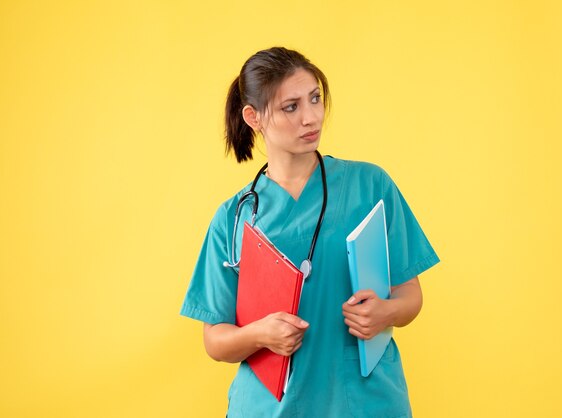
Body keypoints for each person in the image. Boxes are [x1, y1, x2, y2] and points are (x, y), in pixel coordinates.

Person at [180, 46, 440, 417]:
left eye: (315, 99)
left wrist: (385, 312)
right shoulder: (234, 217)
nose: (311, 117)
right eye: (292, 107)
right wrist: (260, 335)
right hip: (271, 407)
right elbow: (215, 340)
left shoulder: (370, 186)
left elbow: (410, 295)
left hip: (364, 403)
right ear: (253, 118)